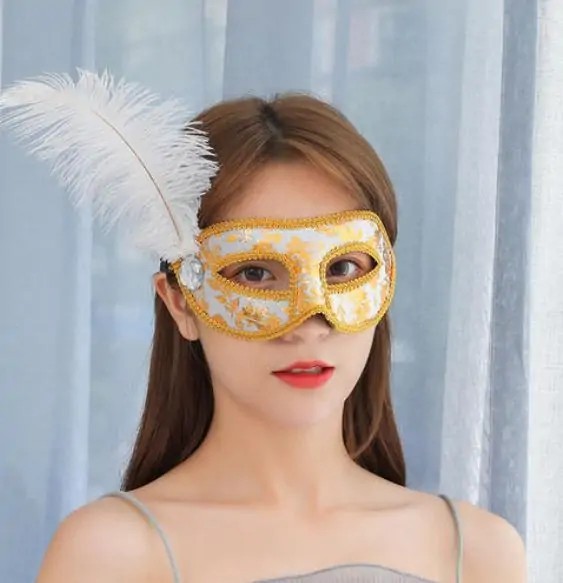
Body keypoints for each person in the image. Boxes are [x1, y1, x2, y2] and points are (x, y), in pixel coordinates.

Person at [13, 88, 525, 582]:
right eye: (255, 273)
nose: (308, 323)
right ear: (180, 303)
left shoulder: (477, 552)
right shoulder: (110, 554)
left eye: (343, 267)